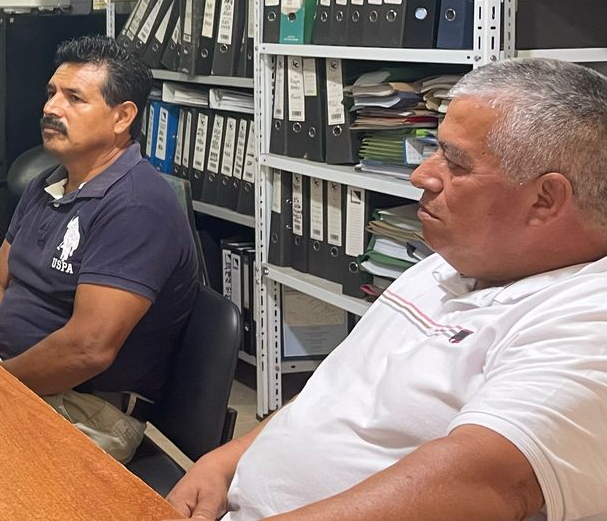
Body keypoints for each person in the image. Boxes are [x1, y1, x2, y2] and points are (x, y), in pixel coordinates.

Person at [169, 58, 607, 521]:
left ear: (545, 199)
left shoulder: (588, 318)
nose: (421, 175)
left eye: (456, 162)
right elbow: (335, 392)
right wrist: (225, 462)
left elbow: (486, 481)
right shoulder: (450, 262)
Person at [0, 36, 199, 462]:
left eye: (74, 98)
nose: (51, 108)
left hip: (86, 410)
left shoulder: (136, 206)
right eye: (52, 93)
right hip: (11, 377)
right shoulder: (48, 182)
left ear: (122, 117)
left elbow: (88, 348)